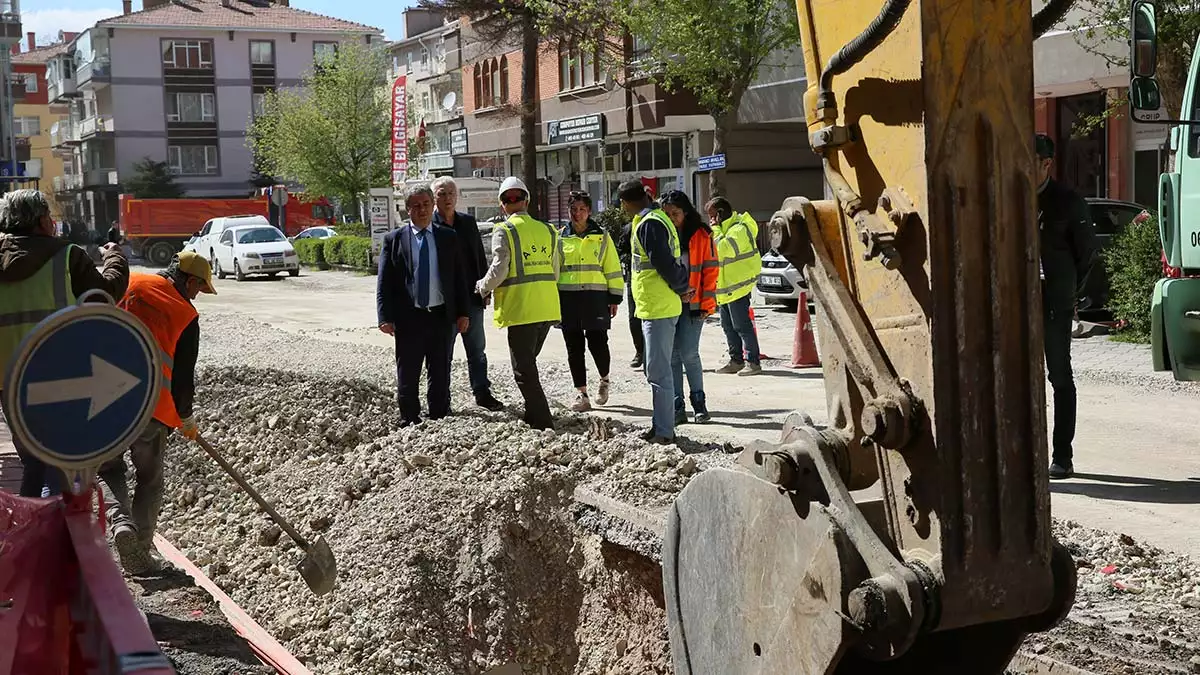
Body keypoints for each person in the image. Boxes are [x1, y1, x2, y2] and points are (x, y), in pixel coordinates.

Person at [0, 189, 129, 498]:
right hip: (60, 376)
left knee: (33, 459)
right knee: (56, 465)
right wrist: (114, 257)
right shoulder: (67, 256)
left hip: (8, 379)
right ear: (43, 221)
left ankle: (32, 531)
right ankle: (53, 531)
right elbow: (105, 295)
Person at [100, 251, 214, 575]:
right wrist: (186, 417)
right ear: (188, 280)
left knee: (108, 469)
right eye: (198, 289)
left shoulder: (129, 283)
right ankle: (141, 552)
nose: (197, 296)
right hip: (152, 410)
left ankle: (120, 524)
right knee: (150, 480)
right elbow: (182, 378)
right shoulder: (186, 315)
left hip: (106, 401)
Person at [377, 183, 472, 427]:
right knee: (408, 370)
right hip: (409, 317)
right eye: (416, 206)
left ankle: (439, 415)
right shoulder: (395, 240)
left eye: (426, 205)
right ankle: (409, 417)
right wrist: (384, 316)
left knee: (440, 369)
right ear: (407, 209)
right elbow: (384, 282)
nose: (422, 210)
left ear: (433, 206)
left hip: (440, 315)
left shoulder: (448, 237)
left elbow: (459, 279)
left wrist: (463, 312)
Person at [476, 177, 562, 430]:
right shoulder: (548, 230)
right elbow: (555, 271)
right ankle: (533, 415)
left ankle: (543, 422)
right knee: (528, 364)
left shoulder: (505, 230)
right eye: (508, 199)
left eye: (511, 199)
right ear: (528, 201)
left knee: (523, 370)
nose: (511, 203)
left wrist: (482, 287)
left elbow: (499, 269)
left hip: (523, 309)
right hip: (547, 308)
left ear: (503, 207)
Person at [1035, 134, 1096, 480]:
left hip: (1055, 301)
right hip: (1018, 302)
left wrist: (1071, 294)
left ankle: (1062, 456)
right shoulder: (1012, 199)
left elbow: (1087, 254)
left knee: (1059, 376)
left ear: (1046, 164)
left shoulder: (1068, 202)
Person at [618, 180, 690, 444]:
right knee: (657, 370)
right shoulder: (652, 219)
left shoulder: (650, 224)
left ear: (627, 202)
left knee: (659, 373)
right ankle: (661, 426)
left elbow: (664, 264)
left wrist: (682, 286)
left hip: (659, 306)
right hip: (656, 305)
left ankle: (664, 432)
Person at [431, 176, 505, 412]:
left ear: (457, 196)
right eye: (442, 193)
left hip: (471, 296)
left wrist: (485, 289)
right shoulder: (430, 226)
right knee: (444, 353)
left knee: (477, 350)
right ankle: (442, 399)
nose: (447, 198)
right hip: (444, 302)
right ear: (434, 197)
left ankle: (482, 392)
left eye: (451, 193)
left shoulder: (467, 222)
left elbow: (478, 258)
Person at [557, 190, 623, 412]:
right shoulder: (560, 238)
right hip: (568, 298)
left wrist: (614, 297)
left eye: (582, 209)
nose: (577, 214)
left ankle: (604, 380)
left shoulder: (602, 236)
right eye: (573, 209)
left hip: (595, 297)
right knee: (573, 347)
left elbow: (612, 268)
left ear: (590, 211)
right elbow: (554, 270)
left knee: (598, 343)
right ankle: (582, 394)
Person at [661, 190, 716, 425]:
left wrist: (707, 304)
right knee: (672, 356)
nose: (672, 218)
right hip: (669, 304)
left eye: (676, 213)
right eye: (667, 214)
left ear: (686, 212)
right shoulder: (661, 233)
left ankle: (699, 405)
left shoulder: (702, 234)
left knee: (689, 354)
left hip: (694, 304)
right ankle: (677, 406)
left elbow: (710, 270)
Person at [707, 197, 763, 376]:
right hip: (725, 287)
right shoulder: (724, 230)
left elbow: (722, 250)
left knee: (742, 325)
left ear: (721, 214)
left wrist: (715, 229)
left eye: (713, 216)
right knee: (727, 326)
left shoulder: (739, 229)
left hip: (738, 286)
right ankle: (736, 360)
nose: (711, 220)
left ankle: (753, 362)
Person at [615, 218, 645, 368]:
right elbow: (621, 250)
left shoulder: (660, 223)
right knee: (634, 317)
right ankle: (640, 352)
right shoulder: (630, 228)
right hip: (635, 279)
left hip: (657, 282)